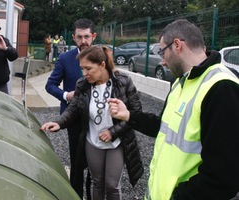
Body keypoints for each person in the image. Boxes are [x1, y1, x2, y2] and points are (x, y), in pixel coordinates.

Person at [108, 19, 239, 199]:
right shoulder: (179, 82)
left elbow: (223, 176)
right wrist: (129, 115)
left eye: (162, 52)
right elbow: (162, 126)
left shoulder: (222, 87)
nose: (161, 61)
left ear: (177, 45)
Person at [42, 46, 143, 200]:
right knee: (97, 182)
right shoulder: (83, 84)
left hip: (116, 142)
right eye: (82, 68)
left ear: (102, 65)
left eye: (88, 68)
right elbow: (73, 109)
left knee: (112, 185)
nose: (84, 73)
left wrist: (113, 132)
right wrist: (59, 123)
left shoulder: (123, 82)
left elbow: (136, 115)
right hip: (92, 141)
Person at [45, 18, 96, 199]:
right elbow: (50, 85)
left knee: (95, 167)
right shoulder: (66, 58)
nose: (84, 41)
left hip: (98, 121)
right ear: (73, 38)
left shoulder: (103, 57)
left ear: (93, 36)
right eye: (80, 37)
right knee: (76, 165)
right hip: (73, 119)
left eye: (87, 36)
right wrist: (67, 95)